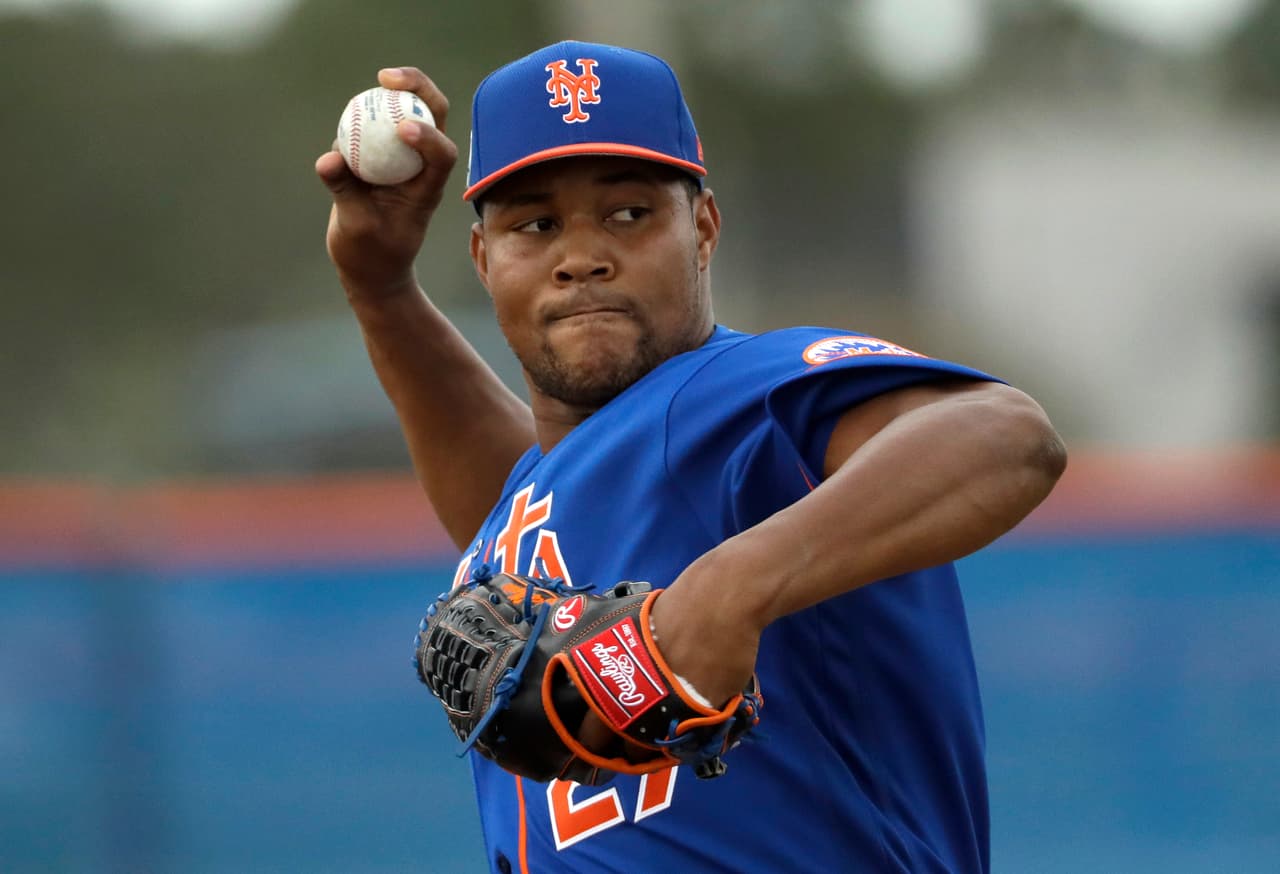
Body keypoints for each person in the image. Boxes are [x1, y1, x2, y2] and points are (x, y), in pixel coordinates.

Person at [316, 40, 1066, 874]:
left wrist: (720, 596)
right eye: (536, 224)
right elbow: (528, 500)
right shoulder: (550, 487)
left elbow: (1006, 435)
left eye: (629, 214)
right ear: (484, 258)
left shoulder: (734, 390)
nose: (582, 256)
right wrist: (381, 289)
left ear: (702, 228)